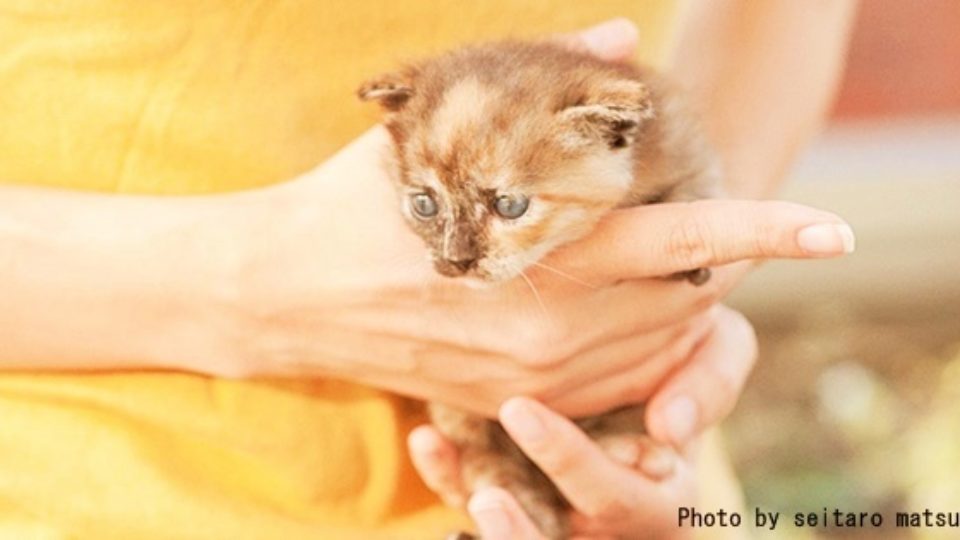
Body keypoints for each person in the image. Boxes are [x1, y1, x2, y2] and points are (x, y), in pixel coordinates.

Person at [0, 1, 856, 538]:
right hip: (97, 496)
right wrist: (254, 288)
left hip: (630, 499)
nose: (449, 256)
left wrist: (692, 248)